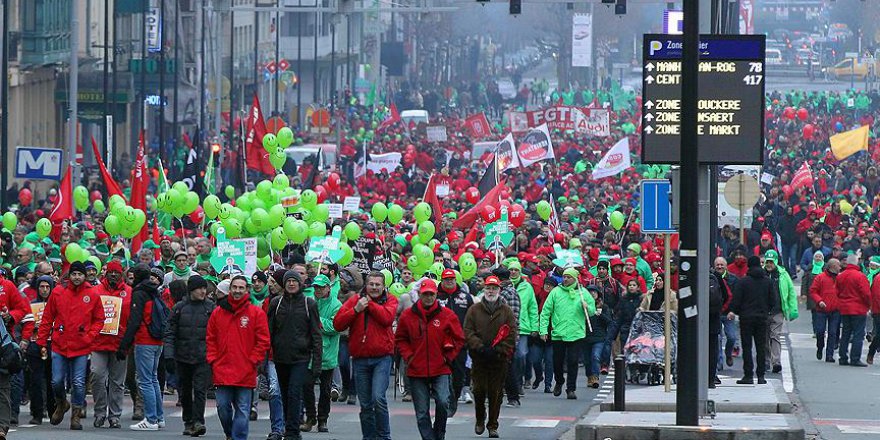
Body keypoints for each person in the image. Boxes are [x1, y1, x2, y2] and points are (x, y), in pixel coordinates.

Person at [35, 261, 105, 430]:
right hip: (60, 344)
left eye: (79, 274)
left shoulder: (92, 294)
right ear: (70, 275)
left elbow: (99, 319)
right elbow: (47, 318)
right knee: (57, 381)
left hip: (81, 346)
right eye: (74, 274)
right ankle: (61, 404)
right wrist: (42, 341)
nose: (76, 277)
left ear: (84, 276)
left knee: (79, 382)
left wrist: (90, 336)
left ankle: (76, 415)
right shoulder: (58, 292)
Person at [395, 279, 465, 440]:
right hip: (416, 369)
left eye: (431, 294)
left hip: (441, 368)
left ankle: (439, 434)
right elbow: (400, 339)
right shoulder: (407, 315)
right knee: (421, 412)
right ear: (419, 294)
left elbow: (459, 338)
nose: (428, 297)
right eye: (425, 294)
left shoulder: (447, 315)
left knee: (442, 402)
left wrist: (448, 357)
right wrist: (409, 356)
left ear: (436, 295)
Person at [333, 271, 398, 440]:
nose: (374, 287)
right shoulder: (355, 300)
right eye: (371, 284)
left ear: (384, 287)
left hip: (382, 358)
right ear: (366, 285)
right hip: (360, 359)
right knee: (366, 404)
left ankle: (384, 437)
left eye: (378, 285)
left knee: (378, 398)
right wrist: (356, 309)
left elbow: (387, 318)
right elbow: (338, 324)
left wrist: (370, 304)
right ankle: (368, 437)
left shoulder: (390, 300)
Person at [206, 275, 271, 440]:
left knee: (243, 409)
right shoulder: (217, 313)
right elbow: (210, 338)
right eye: (234, 287)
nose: (237, 291)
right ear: (230, 289)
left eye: (241, 288)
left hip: (245, 369)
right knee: (222, 407)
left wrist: (253, 361)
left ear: (246, 290)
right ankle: (229, 433)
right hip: (222, 369)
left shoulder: (256, 313)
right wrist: (213, 359)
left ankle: (238, 437)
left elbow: (263, 341)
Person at [266, 269, 321, 440]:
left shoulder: (308, 304)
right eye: (288, 281)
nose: (291, 284)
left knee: (294, 393)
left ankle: (292, 431)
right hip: (280, 358)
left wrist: (317, 362)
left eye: (294, 281)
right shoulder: (276, 303)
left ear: (300, 284)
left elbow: (316, 334)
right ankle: (286, 427)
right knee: (283, 394)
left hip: (301, 358)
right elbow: (268, 332)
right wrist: (264, 358)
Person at [464, 275, 516, 439]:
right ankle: (480, 418)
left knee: (495, 393)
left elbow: (511, 333)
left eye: (494, 288)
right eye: (488, 288)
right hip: (479, 358)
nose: (491, 291)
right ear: (484, 289)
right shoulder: (474, 309)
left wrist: (499, 350)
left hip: (499, 359)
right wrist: (479, 347)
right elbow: (468, 330)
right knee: (478, 390)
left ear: (499, 290)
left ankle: (493, 425)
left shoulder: (506, 311)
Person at [117, 264, 168, 431]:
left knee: (145, 381)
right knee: (153, 379)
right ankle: (159, 417)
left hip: (145, 339)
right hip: (157, 340)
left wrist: (124, 345)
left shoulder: (139, 293)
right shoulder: (155, 291)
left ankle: (151, 419)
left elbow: (134, 321)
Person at [163, 275, 215, 437]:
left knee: (200, 390)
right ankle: (188, 421)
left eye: (204, 288)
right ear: (191, 290)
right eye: (199, 288)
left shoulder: (210, 308)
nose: (203, 291)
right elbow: (170, 333)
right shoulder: (179, 308)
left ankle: (198, 421)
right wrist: (169, 356)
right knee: (184, 391)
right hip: (182, 357)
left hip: (203, 357)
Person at [539, 267, 595, 400]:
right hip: (558, 333)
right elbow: (546, 312)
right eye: (564, 276)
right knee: (557, 362)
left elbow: (592, 311)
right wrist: (543, 330)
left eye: (568, 277)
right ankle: (559, 381)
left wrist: (587, 306)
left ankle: (571, 389)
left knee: (573, 361)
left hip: (576, 333)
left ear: (575, 278)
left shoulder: (583, 293)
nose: (565, 279)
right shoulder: (556, 292)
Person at [90, 260, 132, 429]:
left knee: (117, 382)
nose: (113, 275)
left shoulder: (129, 292)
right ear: (106, 274)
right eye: (111, 272)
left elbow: (133, 318)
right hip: (98, 342)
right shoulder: (96, 291)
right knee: (97, 376)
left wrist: (128, 340)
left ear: (121, 274)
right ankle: (100, 413)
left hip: (120, 343)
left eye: (117, 272)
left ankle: (114, 416)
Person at [302, 274, 341, 433]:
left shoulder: (336, 304)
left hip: (328, 353)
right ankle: (311, 416)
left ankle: (323, 419)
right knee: (307, 387)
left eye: (321, 287)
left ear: (328, 288)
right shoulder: (308, 301)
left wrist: (316, 321)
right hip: (310, 352)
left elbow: (335, 327)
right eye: (316, 287)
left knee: (325, 390)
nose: (318, 290)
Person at [729, 256, 775, 385]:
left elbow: (736, 300)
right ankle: (761, 375)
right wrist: (766, 310)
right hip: (762, 318)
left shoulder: (743, 282)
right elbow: (773, 300)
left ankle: (748, 375)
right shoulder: (767, 282)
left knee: (747, 347)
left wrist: (736, 311)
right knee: (761, 347)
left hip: (746, 318)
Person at [435, 268, 473, 415]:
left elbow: (472, 318)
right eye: (446, 279)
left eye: (451, 279)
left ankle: (455, 397)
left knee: (458, 374)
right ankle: (444, 400)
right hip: (439, 343)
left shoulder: (465, 297)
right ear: (442, 281)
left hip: (460, 343)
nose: (449, 281)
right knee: (441, 373)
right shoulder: (436, 297)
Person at [0, 265, 33, 434]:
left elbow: (23, 310)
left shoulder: (7, 286)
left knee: (4, 384)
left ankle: (2, 426)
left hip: (4, 342)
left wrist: (10, 315)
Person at [22, 275, 54, 425]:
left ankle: (53, 409)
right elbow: (25, 323)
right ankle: (37, 412)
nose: (45, 290)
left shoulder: (56, 304)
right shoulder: (31, 304)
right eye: (42, 286)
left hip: (52, 344)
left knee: (52, 380)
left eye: (47, 287)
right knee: (36, 380)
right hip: (35, 345)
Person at [762, 250, 798, 373]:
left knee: (775, 335)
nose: (769, 264)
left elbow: (791, 292)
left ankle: (776, 361)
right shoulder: (761, 274)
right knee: (764, 337)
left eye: (771, 262)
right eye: (768, 262)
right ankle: (765, 360)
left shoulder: (783, 274)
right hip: (763, 311)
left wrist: (793, 309)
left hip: (777, 310)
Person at [835, 252, 871, 367]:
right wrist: (868, 305)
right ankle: (855, 358)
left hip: (845, 308)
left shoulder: (840, 276)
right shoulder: (860, 276)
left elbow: (837, 292)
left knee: (845, 333)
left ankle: (843, 357)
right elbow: (866, 293)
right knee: (858, 334)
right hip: (858, 308)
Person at [507, 261, 538, 396]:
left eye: (516, 270)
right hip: (507, 326)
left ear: (520, 272)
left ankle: (519, 383)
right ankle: (509, 384)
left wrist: (534, 327)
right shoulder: (504, 286)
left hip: (523, 327)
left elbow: (533, 307)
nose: (513, 272)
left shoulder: (527, 287)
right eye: (511, 270)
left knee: (521, 355)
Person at [809, 258, 840, 363]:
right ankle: (820, 347)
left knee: (832, 333)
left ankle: (829, 355)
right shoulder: (820, 277)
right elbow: (813, 291)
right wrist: (819, 301)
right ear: (832, 267)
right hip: (821, 310)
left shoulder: (840, 278)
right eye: (838, 265)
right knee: (820, 331)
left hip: (835, 310)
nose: (840, 267)